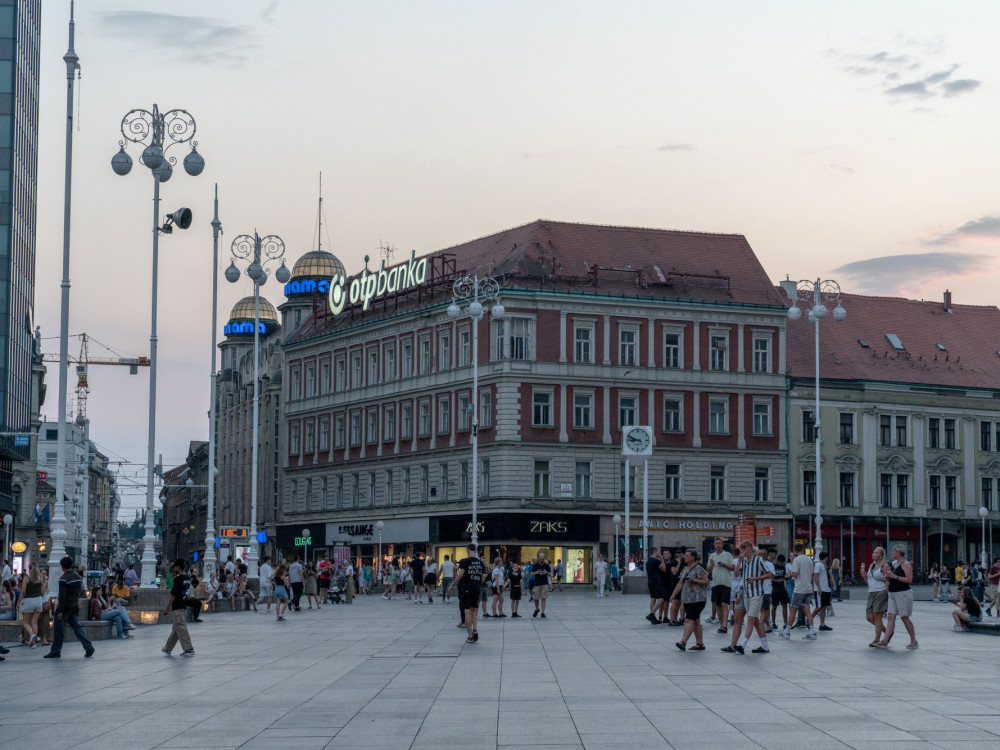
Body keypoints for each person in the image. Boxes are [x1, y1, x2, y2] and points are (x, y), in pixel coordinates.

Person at [44, 556, 95, 659]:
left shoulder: (63, 579)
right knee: (77, 628)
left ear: (62, 567)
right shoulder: (77, 577)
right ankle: (88, 646)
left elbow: (62, 596)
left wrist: (60, 611)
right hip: (74, 606)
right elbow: (80, 591)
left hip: (65, 608)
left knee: (58, 630)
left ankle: (56, 650)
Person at [875, 544, 917, 649]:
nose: (892, 553)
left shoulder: (905, 564)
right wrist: (888, 579)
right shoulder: (894, 564)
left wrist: (895, 576)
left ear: (899, 553)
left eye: (894, 552)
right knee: (891, 616)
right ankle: (885, 640)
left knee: (904, 617)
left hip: (903, 593)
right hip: (892, 593)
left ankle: (913, 640)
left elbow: (909, 579)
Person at [780, 543, 817, 641]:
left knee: (793, 609)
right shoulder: (809, 560)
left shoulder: (796, 560)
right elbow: (811, 574)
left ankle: (787, 631)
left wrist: (789, 575)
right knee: (807, 611)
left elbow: (795, 574)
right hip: (808, 588)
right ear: (804, 549)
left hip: (799, 588)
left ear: (795, 550)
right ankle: (812, 632)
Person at [673, 549, 709, 651]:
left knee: (689, 619)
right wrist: (673, 594)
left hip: (698, 599)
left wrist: (694, 580)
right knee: (696, 621)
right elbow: (680, 583)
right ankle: (700, 644)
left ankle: (683, 642)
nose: (685, 557)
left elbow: (706, 581)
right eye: (685, 556)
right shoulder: (685, 569)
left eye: (687, 556)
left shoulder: (699, 568)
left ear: (693, 557)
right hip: (687, 600)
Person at [450, 543, 486, 644]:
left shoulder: (465, 561)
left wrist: (452, 584)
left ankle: (470, 636)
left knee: (467, 611)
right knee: (474, 611)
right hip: (476, 589)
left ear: (467, 550)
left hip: (467, 589)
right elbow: (483, 578)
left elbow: (460, 574)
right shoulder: (480, 563)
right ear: (476, 551)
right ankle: (475, 629)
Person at [159, 559, 194, 657]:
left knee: (181, 627)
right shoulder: (187, 577)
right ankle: (167, 649)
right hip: (183, 604)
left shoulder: (178, 579)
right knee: (177, 628)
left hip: (177, 606)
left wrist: (167, 608)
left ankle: (188, 649)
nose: (174, 568)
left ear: (178, 567)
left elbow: (173, 595)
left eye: (175, 567)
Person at [706, 538, 735, 633]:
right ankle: (721, 625)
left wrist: (724, 565)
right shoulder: (712, 556)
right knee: (718, 605)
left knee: (724, 604)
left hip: (726, 583)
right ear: (714, 545)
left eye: (719, 543)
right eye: (716, 544)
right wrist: (711, 565)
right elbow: (708, 570)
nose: (718, 545)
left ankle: (725, 625)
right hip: (715, 583)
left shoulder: (728, 554)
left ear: (722, 545)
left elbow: (733, 567)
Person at [17, 562, 46, 647]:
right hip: (38, 601)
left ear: (29, 569)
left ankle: (32, 635)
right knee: (34, 622)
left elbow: (23, 591)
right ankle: (34, 643)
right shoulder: (40, 579)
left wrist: (19, 602)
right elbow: (42, 592)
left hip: (29, 600)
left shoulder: (26, 578)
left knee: (26, 622)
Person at [863, 547, 888, 647]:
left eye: (876, 553)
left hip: (881, 592)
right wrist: (865, 577)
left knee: (877, 617)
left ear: (881, 556)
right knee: (869, 617)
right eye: (873, 552)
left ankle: (877, 640)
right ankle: (887, 631)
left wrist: (887, 593)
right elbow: (869, 582)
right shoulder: (871, 565)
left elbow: (887, 580)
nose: (873, 554)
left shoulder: (884, 566)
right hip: (871, 592)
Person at [812, 552, 834, 631]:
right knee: (819, 607)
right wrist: (818, 588)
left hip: (826, 589)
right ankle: (809, 620)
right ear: (825, 557)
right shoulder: (818, 565)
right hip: (820, 589)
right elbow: (815, 577)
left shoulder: (824, 566)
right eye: (827, 558)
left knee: (823, 607)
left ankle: (822, 624)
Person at [644, 549, 666, 624]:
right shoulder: (656, 561)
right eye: (658, 552)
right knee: (661, 598)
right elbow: (664, 569)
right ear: (655, 552)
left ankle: (653, 618)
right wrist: (662, 560)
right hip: (656, 581)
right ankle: (652, 614)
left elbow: (647, 573)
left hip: (650, 581)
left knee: (653, 598)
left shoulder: (648, 562)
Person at [769, 553, 789, 630]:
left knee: (784, 605)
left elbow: (784, 576)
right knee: (774, 606)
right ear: (777, 561)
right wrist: (777, 580)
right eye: (780, 563)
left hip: (782, 589)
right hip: (774, 589)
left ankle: (785, 622)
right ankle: (773, 622)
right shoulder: (773, 567)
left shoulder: (783, 567)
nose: (781, 564)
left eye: (782, 563)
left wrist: (786, 577)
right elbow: (770, 578)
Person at [531, 551, 553, 618]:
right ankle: (537, 609)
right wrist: (536, 573)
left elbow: (550, 574)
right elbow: (531, 574)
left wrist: (546, 572)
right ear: (538, 558)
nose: (541, 560)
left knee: (543, 598)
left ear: (544, 558)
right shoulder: (535, 565)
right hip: (537, 583)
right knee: (536, 598)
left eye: (543, 559)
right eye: (540, 559)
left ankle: (543, 612)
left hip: (544, 583)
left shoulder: (547, 565)